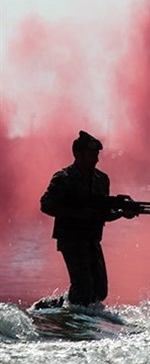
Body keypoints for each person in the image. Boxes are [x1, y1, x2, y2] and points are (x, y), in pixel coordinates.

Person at [39, 130, 138, 308]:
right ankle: (66, 315)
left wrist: (122, 213)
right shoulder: (64, 179)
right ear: (78, 154)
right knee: (84, 288)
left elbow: (103, 213)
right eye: (91, 154)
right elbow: (46, 204)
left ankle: (56, 306)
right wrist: (77, 213)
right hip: (71, 239)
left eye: (97, 155)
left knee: (99, 291)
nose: (96, 159)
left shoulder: (101, 179)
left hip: (92, 239)